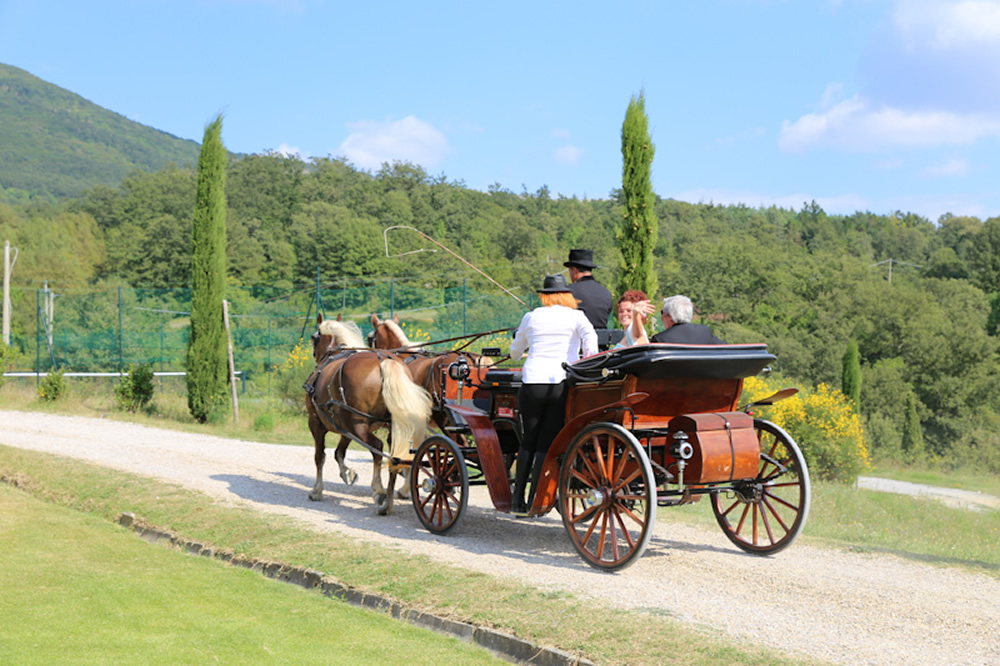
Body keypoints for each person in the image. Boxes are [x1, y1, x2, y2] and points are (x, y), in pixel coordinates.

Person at [509, 274, 598, 514]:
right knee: (547, 444)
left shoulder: (532, 317)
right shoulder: (577, 316)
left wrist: (521, 347)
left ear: (544, 295)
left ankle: (518, 500)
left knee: (528, 441)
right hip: (561, 383)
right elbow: (591, 341)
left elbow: (515, 352)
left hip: (533, 383)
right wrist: (585, 360)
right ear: (566, 295)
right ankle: (539, 498)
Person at [564, 249, 613, 330]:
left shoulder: (567, 292)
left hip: (577, 341)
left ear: (574, 270)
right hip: (600, 341)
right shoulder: (606, 293)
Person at [650, 295, 725, 345]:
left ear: (669, 316)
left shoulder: (660, 340)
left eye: (662, 312)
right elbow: (729, 349)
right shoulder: (704, 332)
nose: (661, 317)